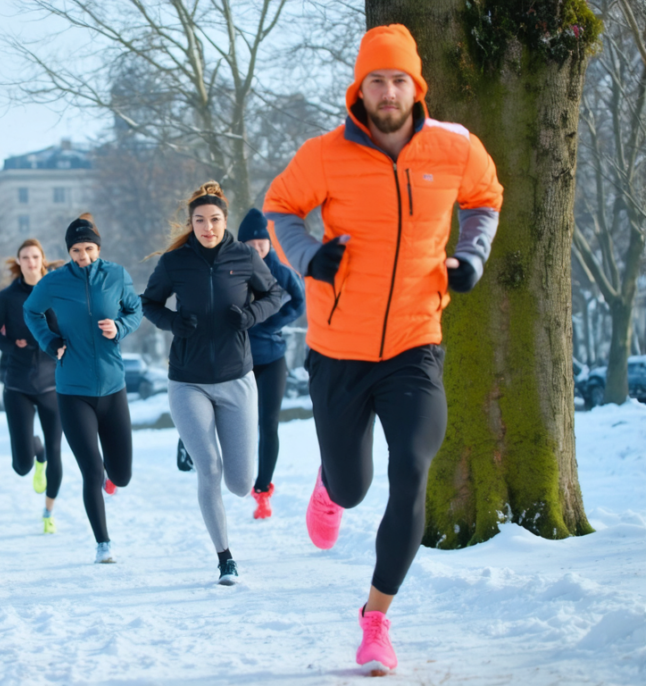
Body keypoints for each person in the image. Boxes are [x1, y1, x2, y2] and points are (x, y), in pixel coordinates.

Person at [263, 25, 502, 671]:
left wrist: (472, 254)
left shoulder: (456, 147)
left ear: (415, 87)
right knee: (354, 485)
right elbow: (280, 206)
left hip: (416, 341)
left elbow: (486, 199)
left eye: (399, 80)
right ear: (359, 89)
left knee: (413, 469)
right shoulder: (324, 153)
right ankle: (330, 485)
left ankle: (376, 620)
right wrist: (311, 255)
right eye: (377, 80)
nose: (389, 91)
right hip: (339, 347)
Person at [141, 183, 284, 585]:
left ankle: (194, 442)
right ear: (191, 223)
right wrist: (172, 322)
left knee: (240, 483)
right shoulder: (174, 262)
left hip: (236, 379)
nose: (208, 227)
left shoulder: (243, 256)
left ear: (225, 221)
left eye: (215, 220)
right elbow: (148, 302)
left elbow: (276, 294)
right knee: (211, 469)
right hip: (188, 381)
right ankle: (225, 558)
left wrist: (251, 315)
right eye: (200, 221)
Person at [23, 214, 142, 564]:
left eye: (89, 248)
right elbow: (32, 311)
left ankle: (112, 481)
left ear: (98, 248)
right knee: (92, 469)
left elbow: (135, 311)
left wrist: (118, 327)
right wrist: (49, 340)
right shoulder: (55, 281)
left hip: (112, 388)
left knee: (121, 474)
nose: (83, 256)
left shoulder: (117, 275)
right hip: (72, 391)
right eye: (76, 250)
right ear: (69, 251)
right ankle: (103, 542)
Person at [0, 238, 64, 533]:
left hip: (53, 383)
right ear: (19, 262)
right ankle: (35, 450)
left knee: (57, 452)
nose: (30, 262)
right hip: (17, 384)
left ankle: (48, 512)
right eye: (25, 257)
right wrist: (12, 348)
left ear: (42, 259)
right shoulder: (7, 297)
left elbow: (67, 327)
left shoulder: (55, 291)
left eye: (35, 256)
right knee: (21, 466)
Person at [238, 208, 306, 519]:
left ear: (268, 242)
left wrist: (270, 324)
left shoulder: (279, 270)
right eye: (250, 244)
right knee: (238, 424)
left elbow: (299, 301)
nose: (256, 248)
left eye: (261, 242)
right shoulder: (233, 269)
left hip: (273, 357)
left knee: (269, 424)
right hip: (238, 360)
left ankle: (263, 490)